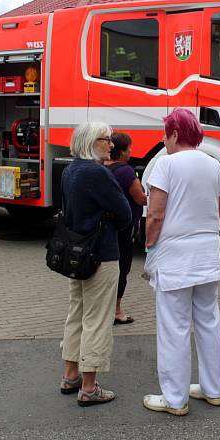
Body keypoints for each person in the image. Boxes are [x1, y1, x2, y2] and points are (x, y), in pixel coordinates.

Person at [142, 108, 220, 416]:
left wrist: (150, 244)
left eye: (166, 134)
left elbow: (156, 214)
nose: (164, 141)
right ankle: (212, 389)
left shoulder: (166, 164)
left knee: (174, 326)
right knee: (208, 321)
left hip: (176, 255)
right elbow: (218, 209)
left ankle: (175, 398)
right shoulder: (213, 164)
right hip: (207, 252)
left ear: (175, 134)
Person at [59, 121, 132, 406]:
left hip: (76, 253)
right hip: (101, 253)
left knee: (75, 312)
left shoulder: (70, 170)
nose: (112, 145)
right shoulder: (97, 174)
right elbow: (125, 214)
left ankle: (70, 375)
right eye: (107, 139)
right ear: (92, 141)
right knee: (97, 319)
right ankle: (89, 388)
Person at [104, 132, 147, 325]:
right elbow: (140, 198)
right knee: (123, 268)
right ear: (121, 151)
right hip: (124, 227)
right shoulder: (126, 172)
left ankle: (104, 309)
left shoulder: (103, 168)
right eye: (129, 147)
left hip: (107, 227)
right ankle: (116, 310)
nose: (131, 151)